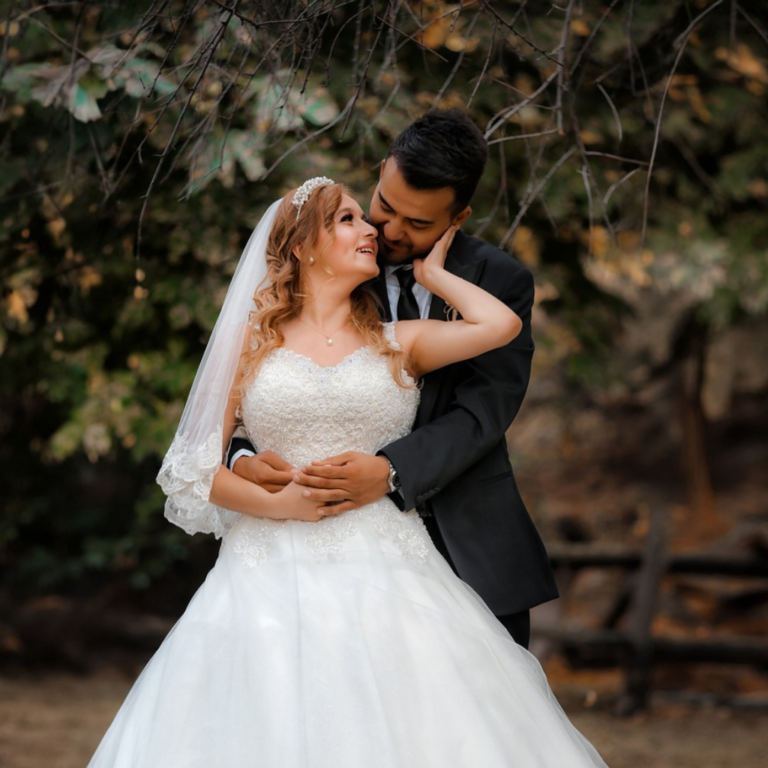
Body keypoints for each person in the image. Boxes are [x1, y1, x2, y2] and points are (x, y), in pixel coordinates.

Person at [87, 177, 608, 767]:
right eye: (350, 220)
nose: (372, 232)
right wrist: (280, 505)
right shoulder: (252, 339)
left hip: (386, 557)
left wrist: (435, 277)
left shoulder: (396, 341)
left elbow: (500, 327)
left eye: (365, 218)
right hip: (265, 566)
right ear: (305, 246)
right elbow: (190, 469)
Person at [227, 110, 558, 649]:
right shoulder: (337, 259)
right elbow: (264, 381)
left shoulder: (499, 282)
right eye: (385, 206)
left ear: (459, 215)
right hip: (320, 552)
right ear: (382, 172)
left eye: (419, 224)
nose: (389, 232)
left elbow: (484, 411)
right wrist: (241, 457)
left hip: (464, 535)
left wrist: (390, 471)